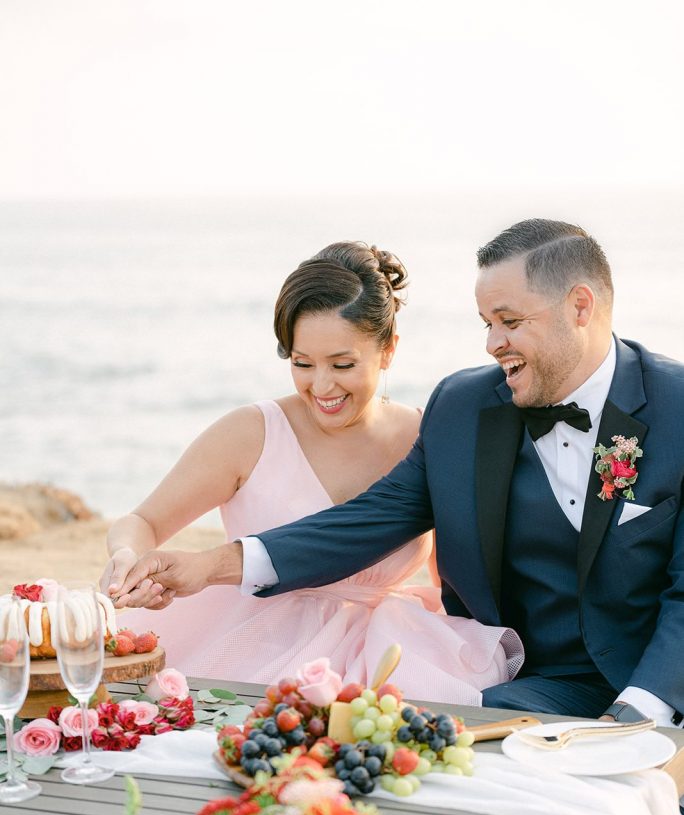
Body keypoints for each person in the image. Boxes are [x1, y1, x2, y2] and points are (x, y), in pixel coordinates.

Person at [116, 219, 684, 727]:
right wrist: (210, 566)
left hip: (659, 690)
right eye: (486, 323)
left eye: (509, 322)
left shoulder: (676, 406)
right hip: (517, 684)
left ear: (580, 307)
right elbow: (368, 520)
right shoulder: (463, 408)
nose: (492, 345)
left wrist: (642, 712)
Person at [103, 241, 522, 700]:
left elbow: (454, 579)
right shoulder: (251, 432)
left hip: (386, 651)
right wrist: (126, 558)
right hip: (252, 644)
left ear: (388, 350)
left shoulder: (428, 435)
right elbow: (142, 522)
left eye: (343, 365)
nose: (321, 386)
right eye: (302, 364)